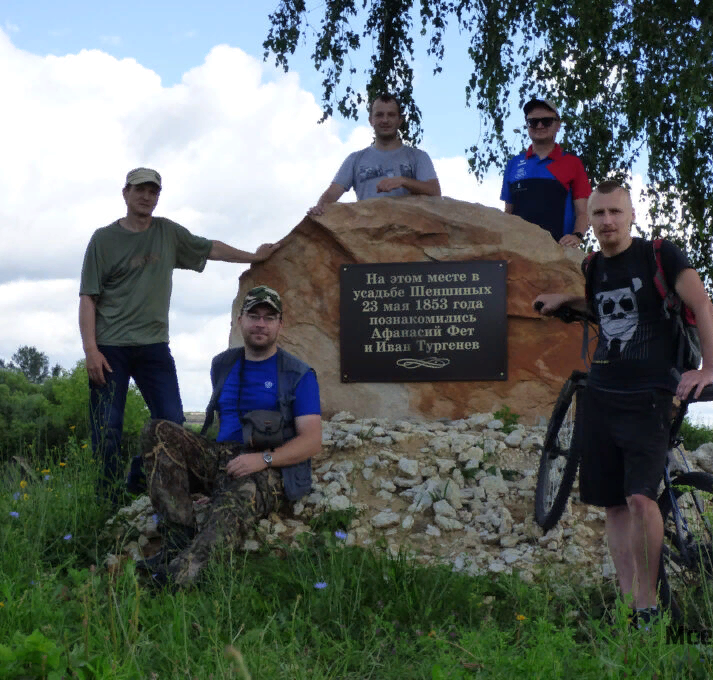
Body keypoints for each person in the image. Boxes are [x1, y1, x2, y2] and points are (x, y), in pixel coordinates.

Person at [533, 180, 713, 624]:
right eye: (598, 214)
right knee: (613, 504)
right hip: (601, 394)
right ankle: (628, 602)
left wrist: (709, 369)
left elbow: (703, 305)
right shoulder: (593, 265)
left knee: (639, 499)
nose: (607, 221)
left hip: (650, 395)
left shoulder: (661, 255)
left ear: (632, 214)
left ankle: (648, 603)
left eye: (615, 212)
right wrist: (567, 300)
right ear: (591, 219)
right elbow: (607, 308)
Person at [79, 167, 282, 505]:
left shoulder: (167, 233)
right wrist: (90, 350)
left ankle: (135, 482)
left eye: (153, 191)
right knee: (107, 429)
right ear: (125, 193)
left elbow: (210, 249)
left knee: (172, 422)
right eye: (140, 190)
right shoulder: (103, 239)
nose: (146, 197)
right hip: (109, 347)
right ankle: (107, 503)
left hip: (153, 347)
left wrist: (254, 256)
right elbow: (88, 297)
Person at [139, 285, 322, 587]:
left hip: (269, 467)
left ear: (280, 325)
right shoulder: (223, 364)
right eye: (254, 316)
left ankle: (177, 579)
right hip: (221, 455)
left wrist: (263, 459)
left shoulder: (298, 374)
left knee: (228, 509)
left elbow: (312, 440)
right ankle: (175, 537)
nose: (260, 324)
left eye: (269, 317)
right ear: (241, 321)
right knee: (156, 430)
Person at [308, 95, 441, 215]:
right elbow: (332, 193)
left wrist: (403, 181)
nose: (385, 120)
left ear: (400, 120)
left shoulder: (418, 157)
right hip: (367, 233)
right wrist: (319, 208)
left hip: (407, 234)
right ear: (371, 120)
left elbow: (434, 192)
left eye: (391, 115)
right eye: (379, 115)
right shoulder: (355, 159)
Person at [501, 98, 592, 248]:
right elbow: (508, 213)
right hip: (518, 250)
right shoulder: (514, 164)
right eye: (533, 122)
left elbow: (583, 212)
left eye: (546, 121)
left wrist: (577, 236)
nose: (540, 125)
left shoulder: (572, 163)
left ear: (558, 125)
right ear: (527, 125)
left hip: (558, 253)